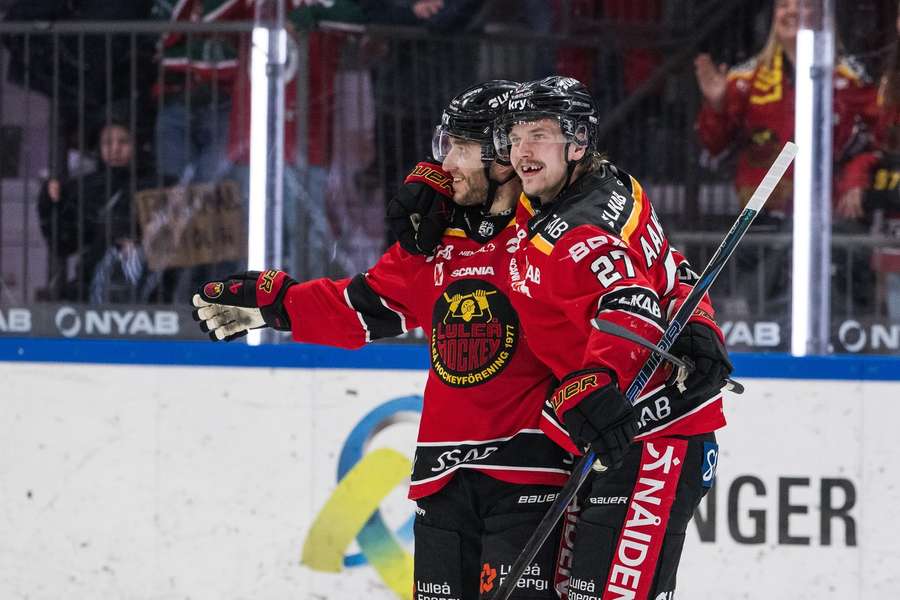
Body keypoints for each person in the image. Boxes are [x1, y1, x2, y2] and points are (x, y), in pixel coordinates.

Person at [191, 81, 575, 600]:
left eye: (461, 148)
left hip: (530, 480)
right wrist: (278, 304)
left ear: (505, 158)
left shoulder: (557, 234)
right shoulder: (439, 244)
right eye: (448, 146)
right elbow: (360, 308)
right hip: (444, 482)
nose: (447, 164)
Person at [492, 75, 733, 599]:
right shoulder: (614, 186)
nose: (520, 150)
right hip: (611, 439)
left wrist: (595, 382)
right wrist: (700, 322)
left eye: (537, 134)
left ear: (577, 141)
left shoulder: (579, 228)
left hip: (654, 440)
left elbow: (630, 304)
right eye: (514, 137)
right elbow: (668, 269)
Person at [38, 116, 149, 302]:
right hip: (93, 285)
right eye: (107, 142)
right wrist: (49, 203)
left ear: (136, 144)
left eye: (123, 141)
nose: (115, 149)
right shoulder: (85, 188)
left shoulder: (154, 184)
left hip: (146, 285)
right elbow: (63, 243)